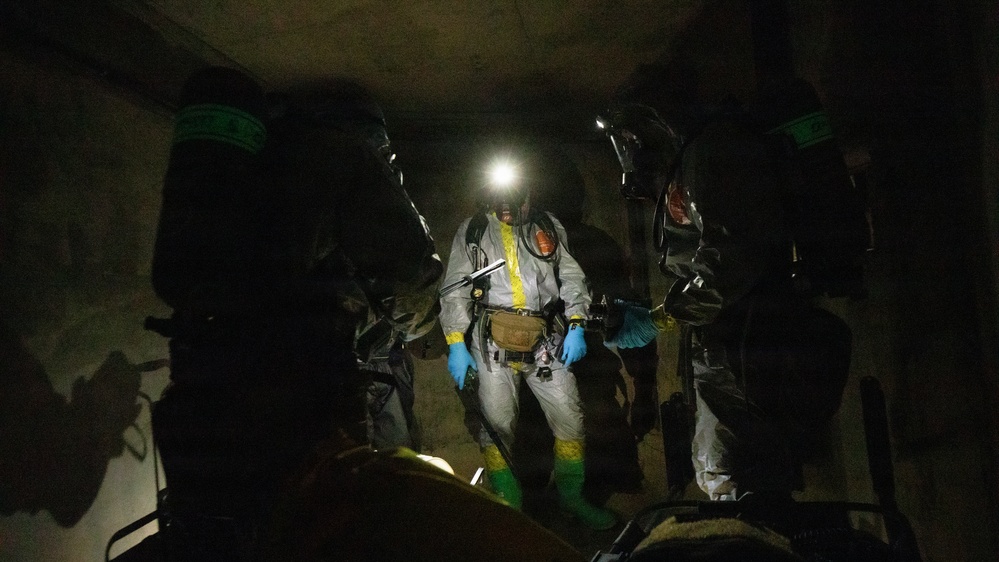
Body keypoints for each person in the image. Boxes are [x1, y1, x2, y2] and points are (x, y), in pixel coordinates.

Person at [148, 72, 443, 560]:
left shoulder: (251, 160)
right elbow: (410, 270)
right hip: (299, 396)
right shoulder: (346, 156)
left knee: (219, 530)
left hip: (199, 384)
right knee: (328, 530)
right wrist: (417, 326)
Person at [598, 62, 810, 502]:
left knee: (735, 476)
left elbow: (728, 265)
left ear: (658, 122)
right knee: (731, 473)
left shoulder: (713, 152)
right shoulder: (698, 155)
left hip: (743, 342)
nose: (630, 151)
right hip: (731, 342)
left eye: (631, 138)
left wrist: (659, 319)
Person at [438, 154, 617, 531]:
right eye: (501, 201)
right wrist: (456, 343)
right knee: (495, 426)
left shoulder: (546, 226)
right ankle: (509, 504)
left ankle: (571, 498)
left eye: (516, 200)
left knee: (570, 419)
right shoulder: (472, 231)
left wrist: (577, 324)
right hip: (491, 346)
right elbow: (454, 289)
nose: (509, 209)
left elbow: (570, 275)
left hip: (545, 341)